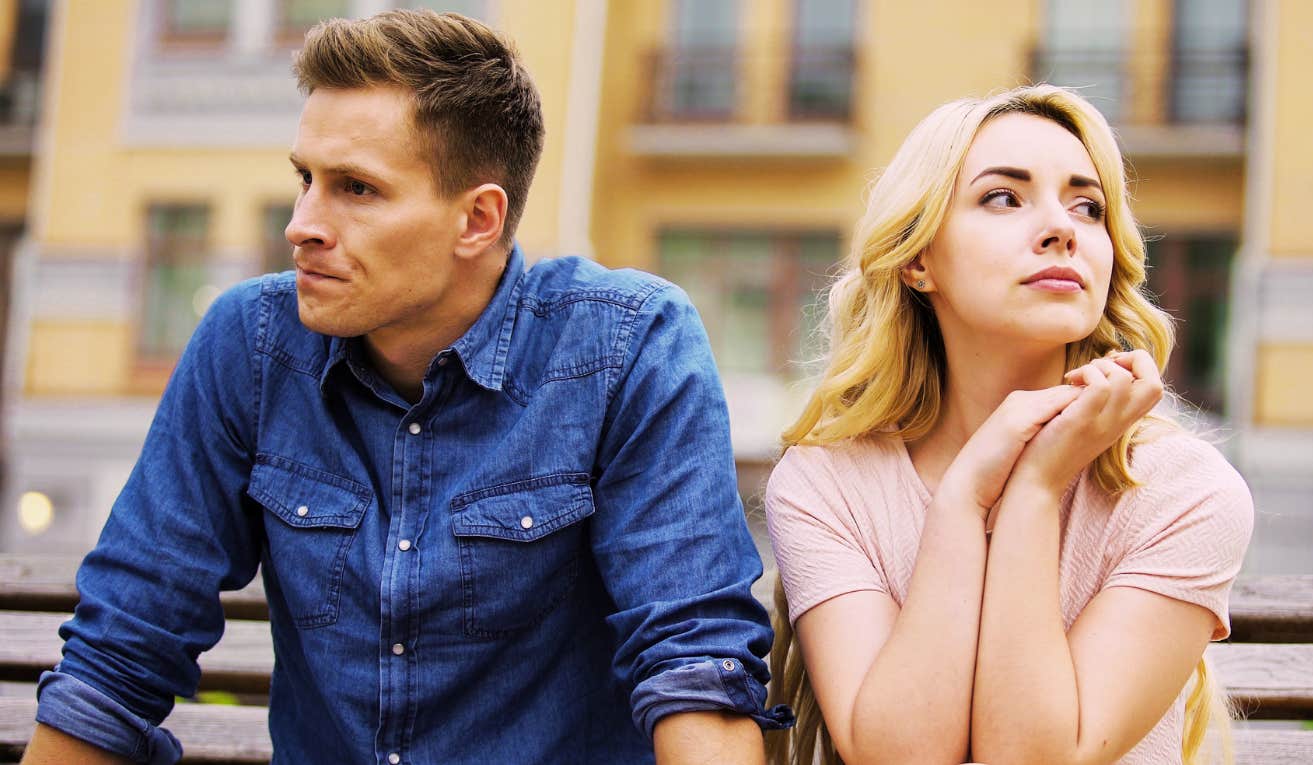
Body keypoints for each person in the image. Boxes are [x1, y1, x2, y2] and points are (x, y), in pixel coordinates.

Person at [23, 10, 790, 765]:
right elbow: (125, 645)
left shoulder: (625, 345)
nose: (302, 224)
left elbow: (695, 665)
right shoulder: (252, 344)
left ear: (478, 220)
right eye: (306, 180)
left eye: (355, 189)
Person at [762, 84, 1253, 765]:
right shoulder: (828, 484)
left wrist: (1034, 489)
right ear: (916, 258)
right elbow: (902, 755)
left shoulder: (1185, 492)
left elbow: (1029, 756)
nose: (1064, 228)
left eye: (1089, 206)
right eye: (1004, 197)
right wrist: (964, 497)